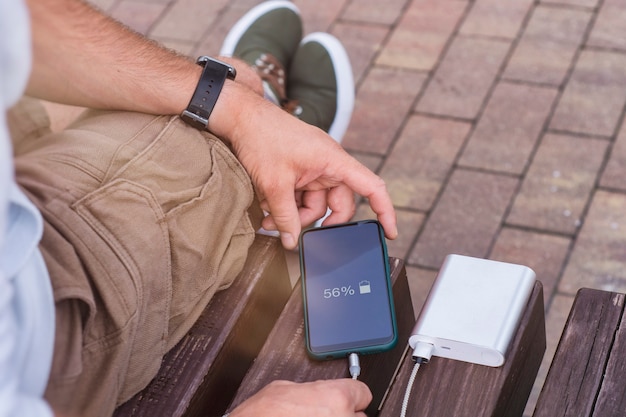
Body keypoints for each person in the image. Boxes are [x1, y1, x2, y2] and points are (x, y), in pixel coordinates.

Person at [0, 0, 397, 416]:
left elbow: (21, 23)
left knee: (227, 86)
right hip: (50, 318)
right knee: (224, 102)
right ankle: (274, 125)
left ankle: (270, 113)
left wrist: (235, 108)